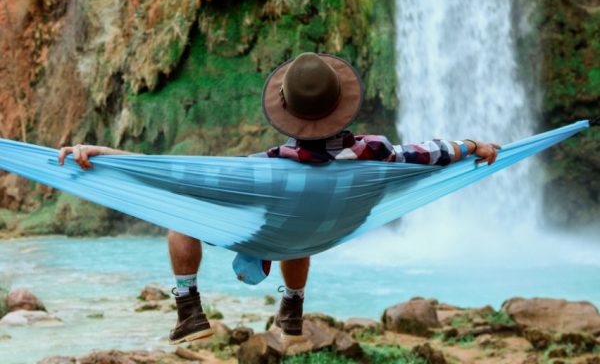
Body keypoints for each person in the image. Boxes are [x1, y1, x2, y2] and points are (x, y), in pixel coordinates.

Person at [58, 52, 500, 344]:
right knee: (301, 229)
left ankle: (189, 309)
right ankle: (292, 309)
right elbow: (431, 153)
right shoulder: (380, 153)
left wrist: (105, 156)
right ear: (342, 107)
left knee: (182, 214)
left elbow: (170, 175)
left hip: (275, 227)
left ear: (288, 115)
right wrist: (470, 145)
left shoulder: (265, 167)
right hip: (321, 234)